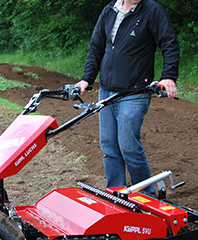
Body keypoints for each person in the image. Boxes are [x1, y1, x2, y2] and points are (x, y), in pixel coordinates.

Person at [76, 0, 180, 192]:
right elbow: (96, 47)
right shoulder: (109, 10)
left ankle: (147, 196)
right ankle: (116, 193)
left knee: (128, 146)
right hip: (106, 90)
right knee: (109, 147)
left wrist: (168, 77)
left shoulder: (151, 10)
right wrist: (86, 80)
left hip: (135, 91)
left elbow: (169, 43)